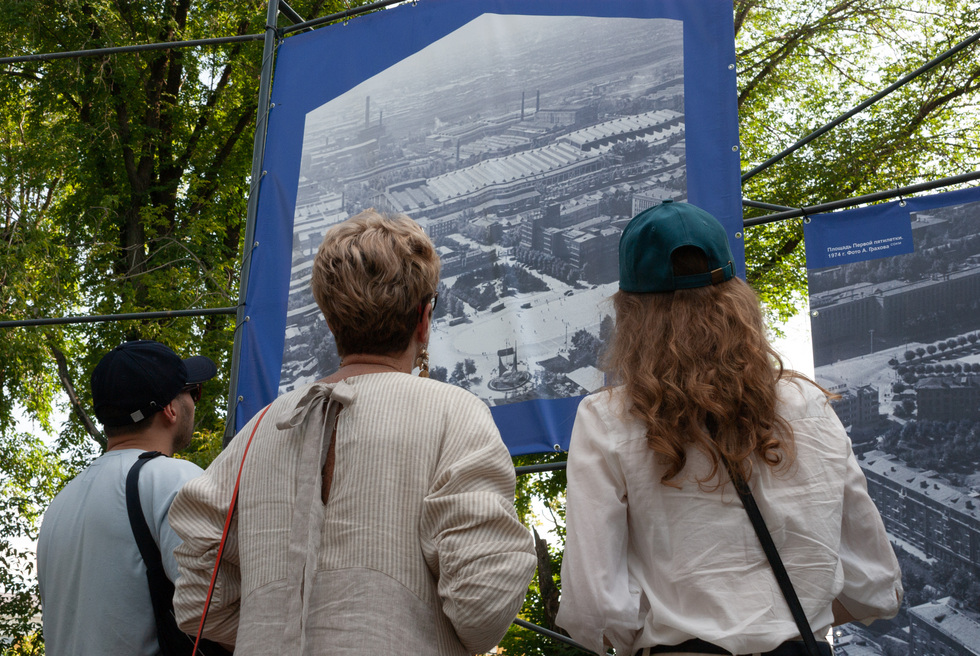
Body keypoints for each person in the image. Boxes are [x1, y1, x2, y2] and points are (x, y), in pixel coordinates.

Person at [169, 209, 536, 655]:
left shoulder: (258, 430)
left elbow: (197, 605)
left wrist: (277, 624)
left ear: (330, 320)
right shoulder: (455, 414)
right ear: (424, 319)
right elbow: (483, 610)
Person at [555, 201, 903, 656]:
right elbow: (875, 584)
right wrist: (784, 625)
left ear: (630, 314)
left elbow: (593, 611)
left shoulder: (606, 420)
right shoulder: (808, 404)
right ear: (738, 297)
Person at [37, 339, 218, 655]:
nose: (194, 401)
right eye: (194, 392)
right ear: (170, 409)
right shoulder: (175, 480)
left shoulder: (61, 504)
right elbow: (217, 614)